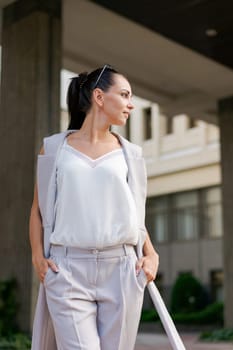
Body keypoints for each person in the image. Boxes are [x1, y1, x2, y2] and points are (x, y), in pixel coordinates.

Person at [29, 64, 159, 350]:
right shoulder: (53, 149)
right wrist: (38, 258)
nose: (131, 104)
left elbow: (134, 214)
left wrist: (151, 255)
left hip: (123, 269)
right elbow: (38, 210)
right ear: (99, 97)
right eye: (124, 95)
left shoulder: (131, 155)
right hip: (67, 271)